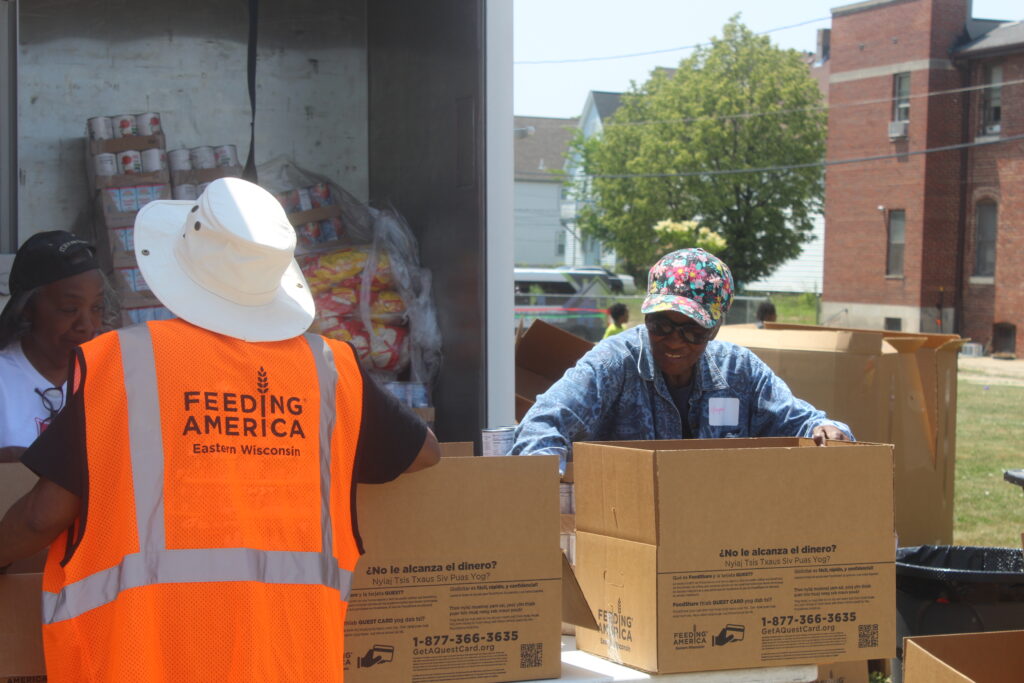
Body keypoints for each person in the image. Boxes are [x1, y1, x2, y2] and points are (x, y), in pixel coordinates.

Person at [0, 178, 440, 682]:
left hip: (144, 662)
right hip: (290, 664)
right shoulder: (329, 372)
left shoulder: (123, 364)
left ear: (180, 267)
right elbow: (423, 452)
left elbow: (41, 517)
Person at [511, 248, 851, 471]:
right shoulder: (612, 365)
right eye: (661, 325)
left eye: (692, 330)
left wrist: (826, 430)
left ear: (716, 328)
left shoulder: (739, 372)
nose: (674, 341)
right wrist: (550, 489)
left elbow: (804, 423)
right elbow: (542, 426)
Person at [0, 231, 104, 463]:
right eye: (69, 310)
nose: (86, 326)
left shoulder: (110, 376)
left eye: (96, 307)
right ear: (27, 307)